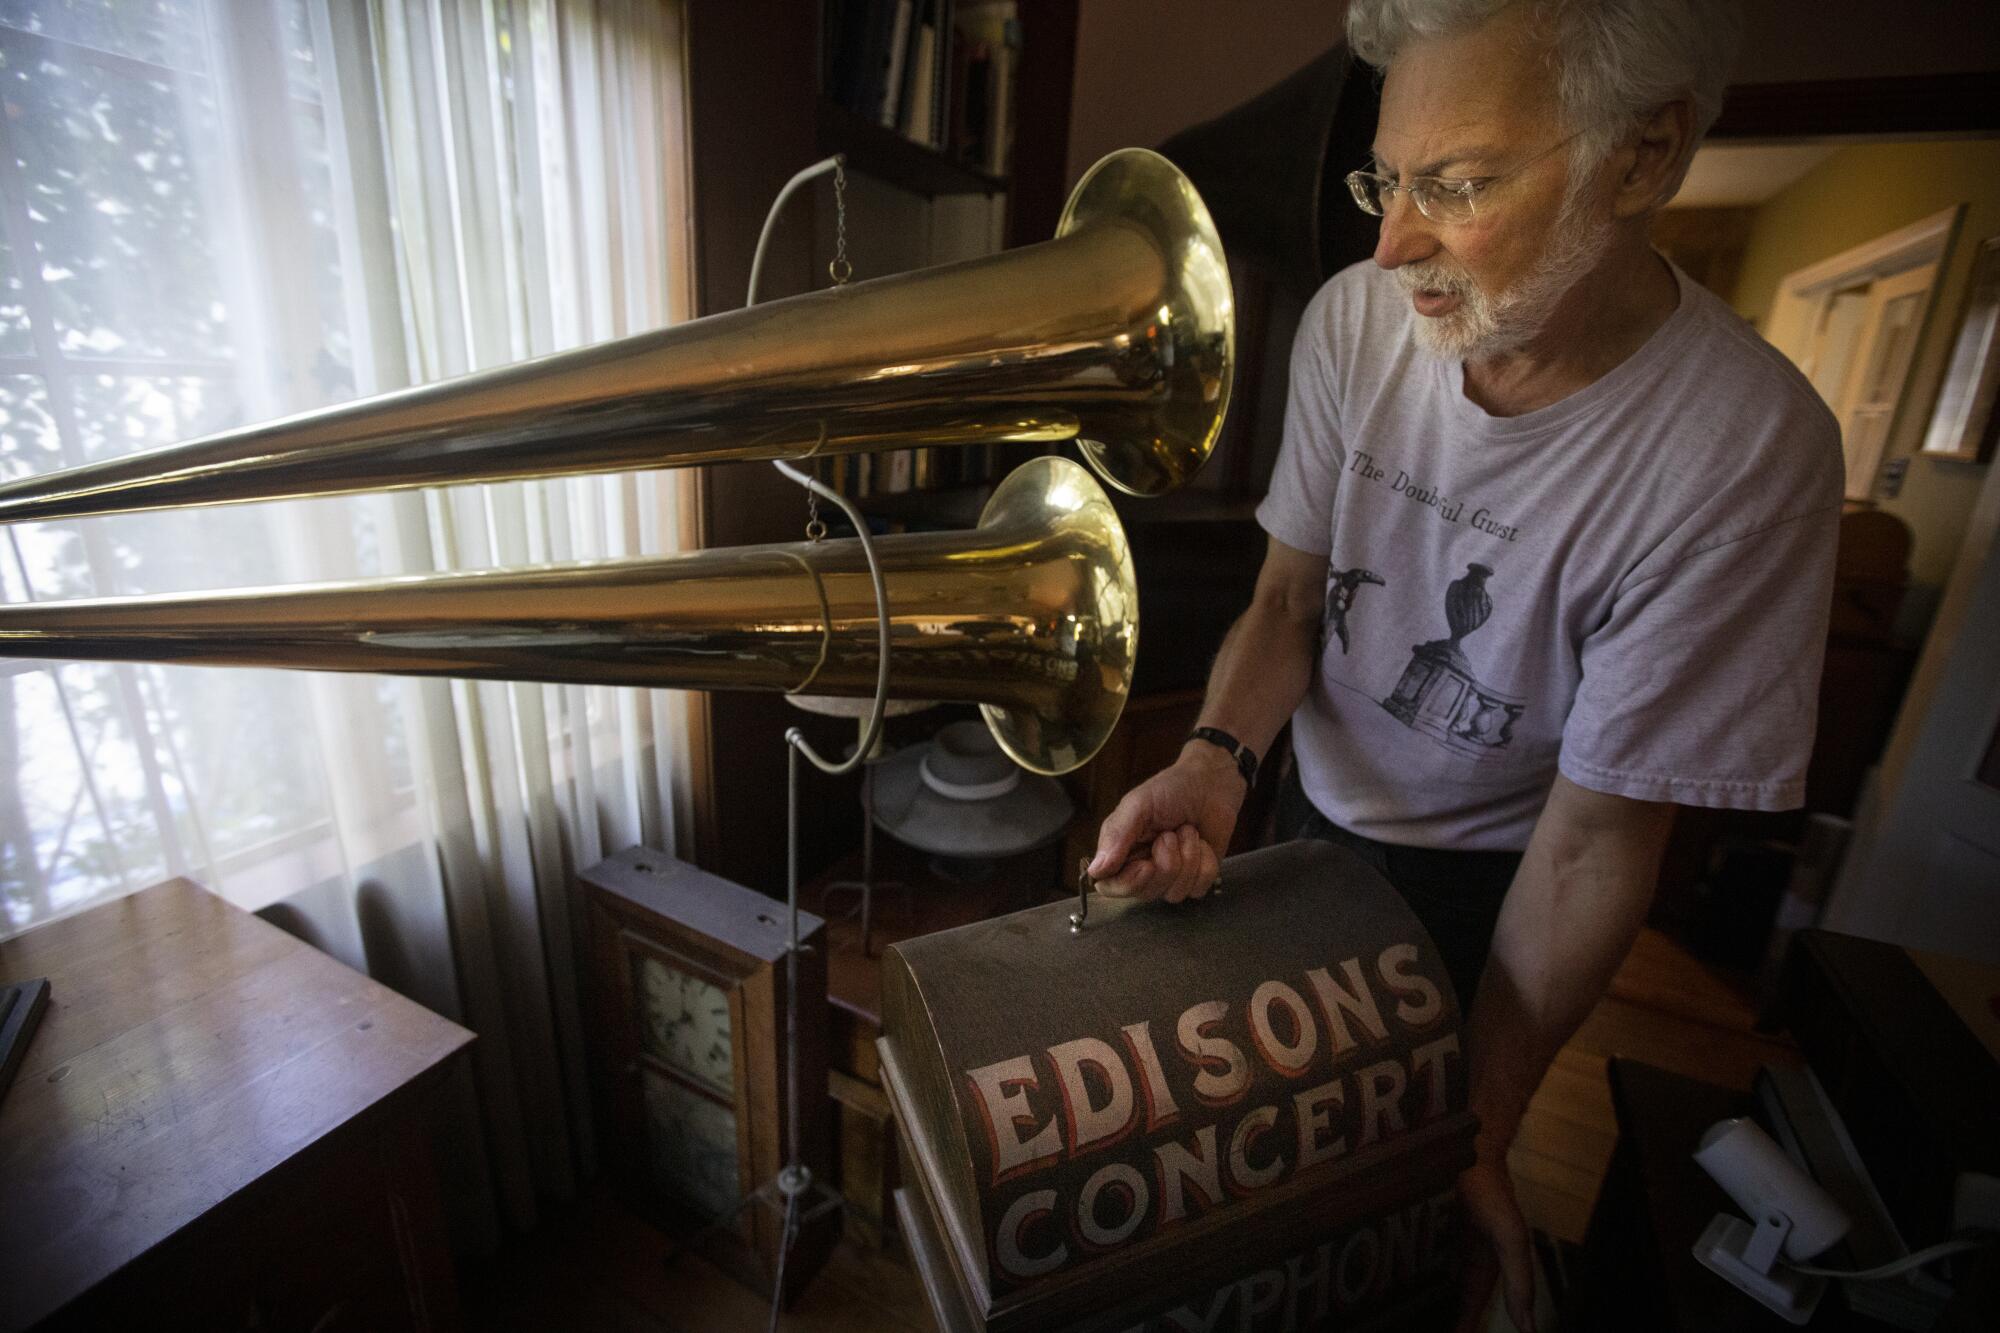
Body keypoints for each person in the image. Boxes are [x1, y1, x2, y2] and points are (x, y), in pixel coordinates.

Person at [1087, 2, 1842, 1329]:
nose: (1392, 243)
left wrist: (1479, 1128)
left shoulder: (1745, 454)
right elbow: (1285, 598)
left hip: (1493, 886)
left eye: (1464, 185)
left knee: (1387, 1232)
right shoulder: (1349, 324)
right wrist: (1218, 763)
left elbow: (1597, 838)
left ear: (1645, 156)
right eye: (1389, 176)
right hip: (1302, 805)